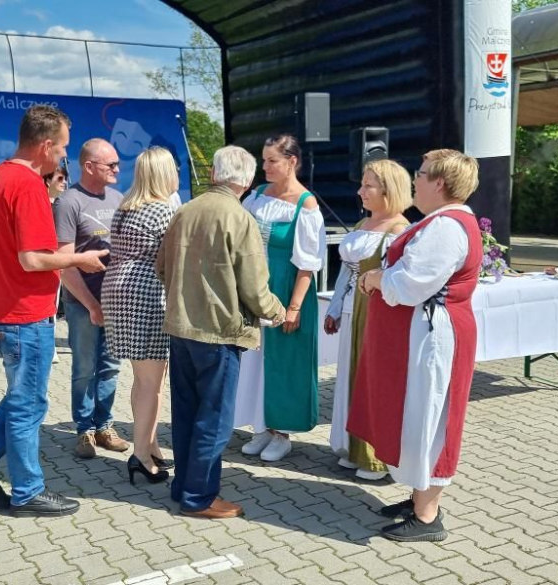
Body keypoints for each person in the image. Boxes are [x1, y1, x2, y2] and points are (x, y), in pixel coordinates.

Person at [0, 105, 109, 518]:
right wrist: (80, 260)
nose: (63, 158)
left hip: (1, 308)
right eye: (61, 149)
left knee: (20, 399)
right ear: (44, 145)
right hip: (23, 312)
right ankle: (27, 492)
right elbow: (33, 259)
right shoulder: (26, 186)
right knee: (28, 405)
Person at [348, 149, 481, 542]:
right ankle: (420, 496)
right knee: (419, 413)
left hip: (434, 335)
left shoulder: (446, 226)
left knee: (432, 415)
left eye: (421, 175)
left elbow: (410, 285)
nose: (415, 181)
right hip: (426, 332)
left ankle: (427, 516)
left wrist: (375, 281)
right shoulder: (442, 221)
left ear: (439, 183)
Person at [156, 145, 286, 520]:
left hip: (181, 328)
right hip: (219, 332)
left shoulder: (184, 210)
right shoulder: (240, 218)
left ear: (213, 175)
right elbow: (254, 286)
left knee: (186, 413)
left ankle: (184, 487)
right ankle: (198, 497)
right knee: (213, 419)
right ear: (246, 181)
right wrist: (275, 311)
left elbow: (161, 267)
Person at [234, 134, 326, 462]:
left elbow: (308, 264)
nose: (265, 166)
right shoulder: (256, 196)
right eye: (264, 160)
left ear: (292, 162)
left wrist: (294, 307)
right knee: (255, 360)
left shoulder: (306, 204)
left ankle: (282, 432)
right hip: (254, 288)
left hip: (286, 290)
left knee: (285, 363)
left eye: (272, 160)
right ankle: (261, 426)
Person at [324, 160, 411, 481]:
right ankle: (352, 445)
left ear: (388, 190)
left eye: (368, 186)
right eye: (362, 184)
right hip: (352, 308)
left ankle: (374, 456)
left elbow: (396, 280)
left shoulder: (398, 231)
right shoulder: (363, 223)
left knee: (371, 380)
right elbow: (348, 272)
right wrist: (334, 308)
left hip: (375, 312)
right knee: (350, 376)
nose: (361, 191)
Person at [102, 147, 176, 485]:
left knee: (142, 378)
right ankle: (142, 456)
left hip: (117, 290)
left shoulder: (125, 207)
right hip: (146, 293)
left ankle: (151, 445)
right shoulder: (164, 210)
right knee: (152, 382)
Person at [53, 138, 129, 459]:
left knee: (111, 366)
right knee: (85, 367)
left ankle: (104, 425)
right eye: (110, 164)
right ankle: (84, 428)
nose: (116, 169)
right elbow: (64, 263)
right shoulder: (68, 202)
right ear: (88, 167)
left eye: (116, 164)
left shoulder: (118, 198)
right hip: (82, 302)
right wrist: (91, 304)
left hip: (115, 301)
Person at [44, 163, 68, 364]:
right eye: (59, 179)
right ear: (47, 180)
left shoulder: (63, 203)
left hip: (63, 260)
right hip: (48, 262)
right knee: (49, 306)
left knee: (58, 303)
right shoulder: (41, 204)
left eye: (65, 178)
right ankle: (48, 346)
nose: (64, 183)